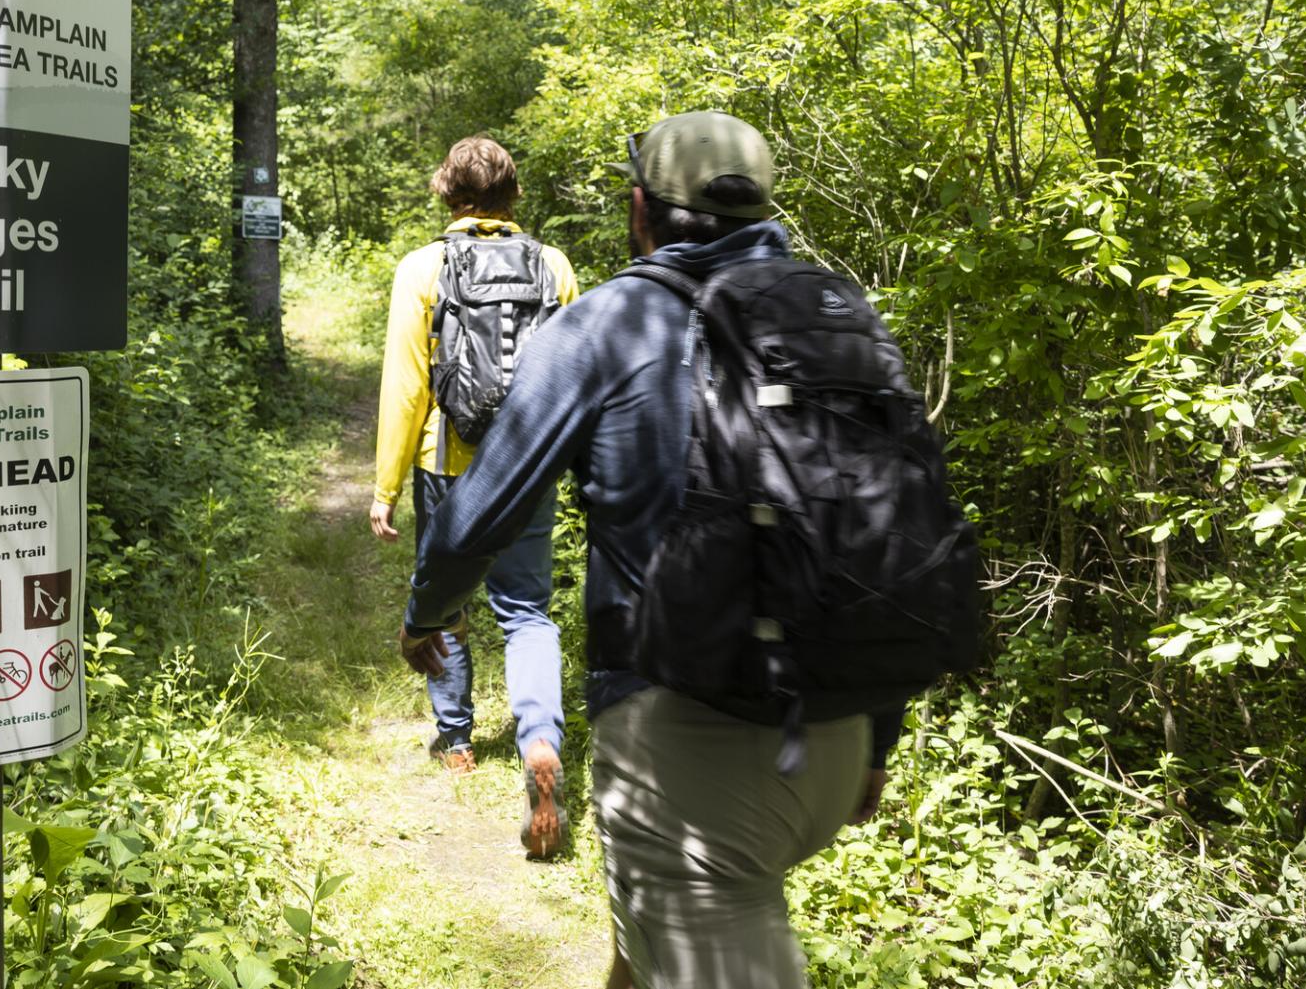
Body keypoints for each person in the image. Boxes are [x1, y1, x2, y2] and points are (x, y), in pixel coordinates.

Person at [398, 113, 912, 988]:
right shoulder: (843, 320)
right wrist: (878, 736)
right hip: (832, 731)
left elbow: (476, 514)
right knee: (641, 944)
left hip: (690, 743)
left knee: (703, 924)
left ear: (640, 207)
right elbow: (884, 539)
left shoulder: (606, 326)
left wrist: (426, 614)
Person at [370, 135, 579, 858]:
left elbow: (407, 387)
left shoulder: (424, 266)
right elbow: (572, 376)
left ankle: (456, 740)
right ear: (513, 193)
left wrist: (385, 487)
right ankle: (542, 741)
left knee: (447, 600)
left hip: (449, 465)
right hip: (529, 465)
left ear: (445, 192)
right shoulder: (551, 264)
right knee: (526, 610)